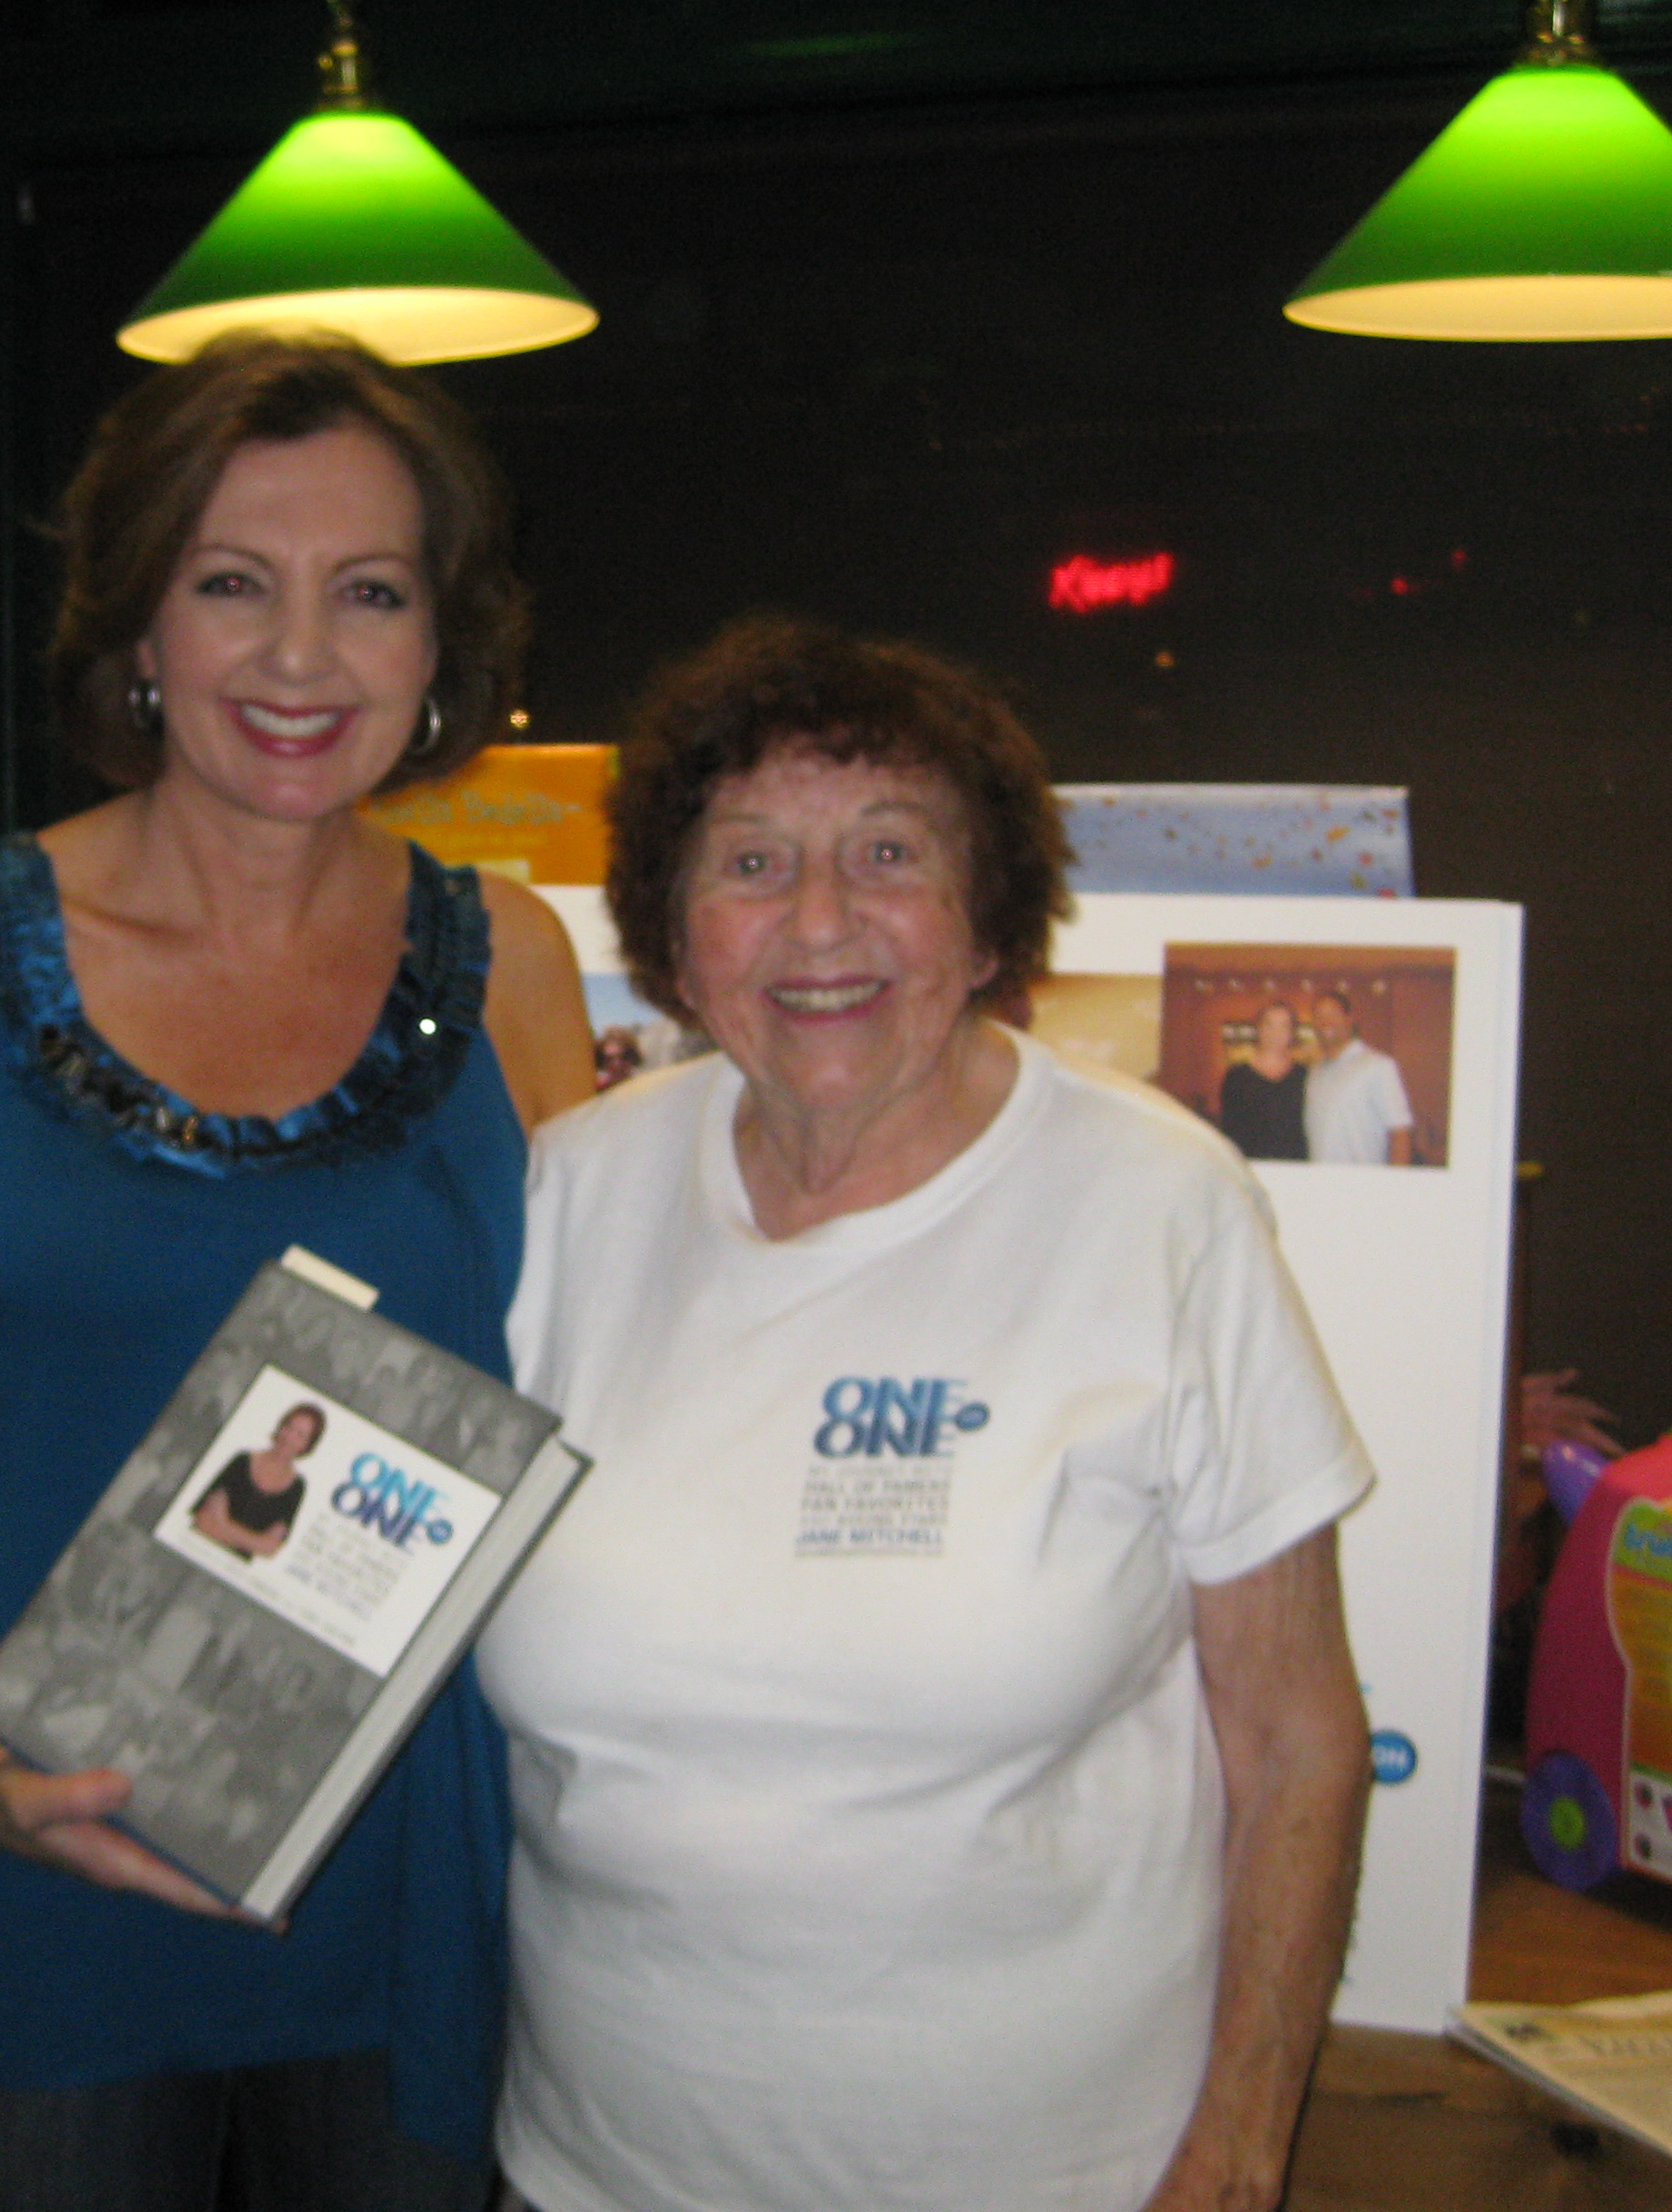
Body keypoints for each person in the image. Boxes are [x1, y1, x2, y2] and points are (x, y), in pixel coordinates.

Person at [0, 330, 594, 2212]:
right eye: (230, 584)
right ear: (135, 623)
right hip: (30, 1823)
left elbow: (594, 1376)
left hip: (410, 1841)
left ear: (442, 643)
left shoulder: (510, 962)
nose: (300, 657)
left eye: (370, 592)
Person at [479, 616, 1375, 2212]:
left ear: (985, 920)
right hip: (595, 2170)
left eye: (888, 853)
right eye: (750, 862)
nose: (818, 920)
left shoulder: (1158, 1204)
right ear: (676, 936)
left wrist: (1238, 2156)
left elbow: (1297, 1738)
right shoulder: (565, 1195)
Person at [192, 1401, 326, 1561]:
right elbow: (203, 1521)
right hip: (197, 1550)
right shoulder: (242, 1461)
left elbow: (270, 1548)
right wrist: (253, 1541)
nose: (289, 1437)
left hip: (235, 1568)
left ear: (307, 1445)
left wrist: (223, 1524)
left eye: (300, 1435)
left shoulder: (297, 1487)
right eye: (289, 1427)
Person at [1301, 989, 1415, 1166]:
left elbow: (1399, 1132)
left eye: (1333, 1014)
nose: (1325, 1022)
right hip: (1319, 1179)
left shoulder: (1378, 1066)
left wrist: (1397, 1181)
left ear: (1350, 1019)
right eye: (1318, 1016)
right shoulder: (1315, 1072)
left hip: (1364, 1180)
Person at [1216, 998, 1308, 1162]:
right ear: (1258, 1028)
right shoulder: (1236, 1077)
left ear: (1292, 1033)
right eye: (1269, 1025)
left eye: (1284, 1026)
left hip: (1294, 1169)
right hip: (1249, 1168)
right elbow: (1228, 1131)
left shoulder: (1305, 1077)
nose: (1275, 1033)